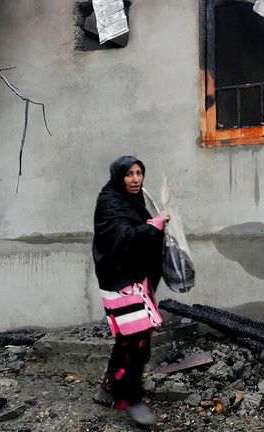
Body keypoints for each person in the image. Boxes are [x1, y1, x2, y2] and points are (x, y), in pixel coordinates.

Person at [91, 155, 171, 426]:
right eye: (129, 174)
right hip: (119, 281)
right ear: (118, 176)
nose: (135, 179)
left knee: (132, 339)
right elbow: (123, 236)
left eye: (139, 173)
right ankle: (132, 400)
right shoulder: (109, 201)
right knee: (136, 341)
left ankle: (109, 388)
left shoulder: (135, 201)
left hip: (137, 280)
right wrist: (154, 225)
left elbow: (142, 234)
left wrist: (157, 228)